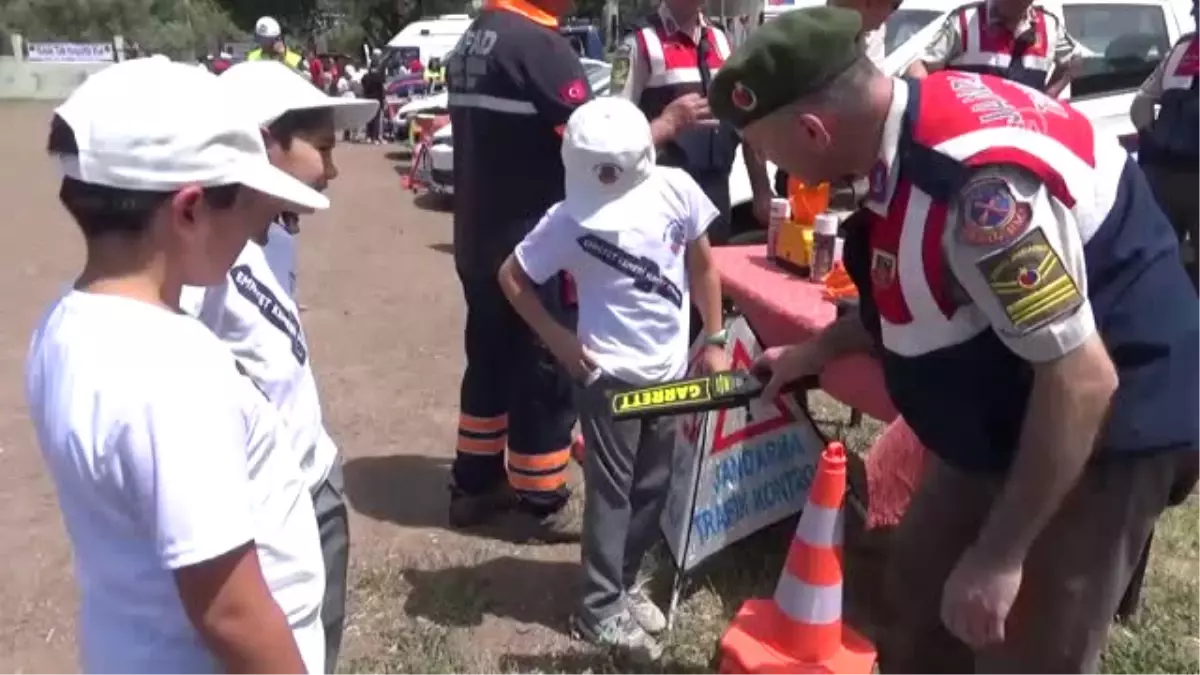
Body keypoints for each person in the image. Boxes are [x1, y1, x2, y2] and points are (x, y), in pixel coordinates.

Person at [710, 8, 1200, 674]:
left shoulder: (979, 198)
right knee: (921, 581)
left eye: (769, 151)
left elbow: (1082, 380)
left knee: (1025, 636)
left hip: (1106, 416)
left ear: (812, 129)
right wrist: (813, 353)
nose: (773, 167)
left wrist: (1002, 554)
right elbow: (917, 289)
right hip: (1010, 393)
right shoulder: (899, 132)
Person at [25, 57, 331, 674]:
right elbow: (230, 612)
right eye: (249, 214)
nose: (252, 239)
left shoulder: (63, 323)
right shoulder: (175, 369)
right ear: (189, 210)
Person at [497, 97, 728, 660]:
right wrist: (560, 340)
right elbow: (513, 277)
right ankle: (598, 608)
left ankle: (624, 584)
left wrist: (716, 339)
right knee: (612, 493)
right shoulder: (569, 218)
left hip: (669, 372)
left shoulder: (675, 190)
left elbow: (703, 266)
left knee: (654, 484)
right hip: (608, 380)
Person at [177, 60, 378, 675]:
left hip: (311, 475)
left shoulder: (267, 236)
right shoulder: (200, 257)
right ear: (262, 141)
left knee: (322, 640)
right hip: (268, 504)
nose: (333, 168)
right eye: (321, 148)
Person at [444, 0, 592, 539]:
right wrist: (664, 125)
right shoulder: (541, 47)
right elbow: (589, 140)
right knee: (544, 368)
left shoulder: (472, 39)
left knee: (488, 361)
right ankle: (541, 497)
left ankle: (475, 484)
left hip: (477, 237)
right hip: (533, 243)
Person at [611, 0, 773, 243]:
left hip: (716, 196)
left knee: (715, 274)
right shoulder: (639, 43)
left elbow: (745, 122)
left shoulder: (720, 39)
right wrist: (667, 124)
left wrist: (761, 189)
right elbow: (612, 135)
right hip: (661, 202)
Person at [1131, 4, 1200, 285]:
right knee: (1158, 257)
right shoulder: (1185, 47)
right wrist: (1149, 133)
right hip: (1163, 173)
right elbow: (1145, 97)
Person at [906, 0, 1080, 97]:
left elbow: (1073, 61)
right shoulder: (965, 21)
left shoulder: (1049, 26)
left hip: (1023, 141)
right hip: (969, 144)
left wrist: (1047, 99)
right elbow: (921, 67)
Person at [360, 63, 387, 144]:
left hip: (368, 99)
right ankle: (375, 138)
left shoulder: (365, 76)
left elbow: (363, 85)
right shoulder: (379, 77)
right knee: (376, 119)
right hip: (377, 100)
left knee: (369, 118)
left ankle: (368, 136)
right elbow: (382, 90)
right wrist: (383, 101)